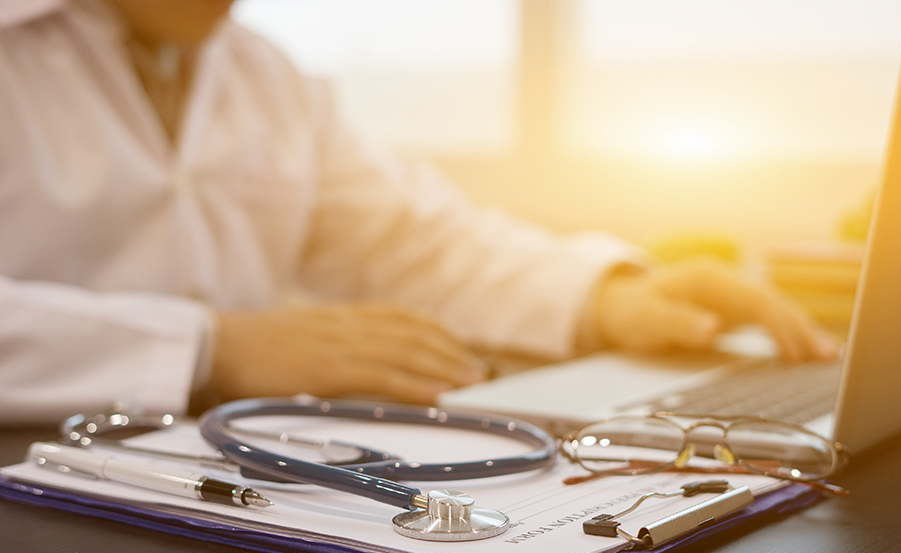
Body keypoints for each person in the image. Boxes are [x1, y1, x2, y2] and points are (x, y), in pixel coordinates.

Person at [0, 0, 837, 425]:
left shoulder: (266, 75)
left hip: (208, 480)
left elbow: (411, 239)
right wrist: (211, 346)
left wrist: (607, 294)